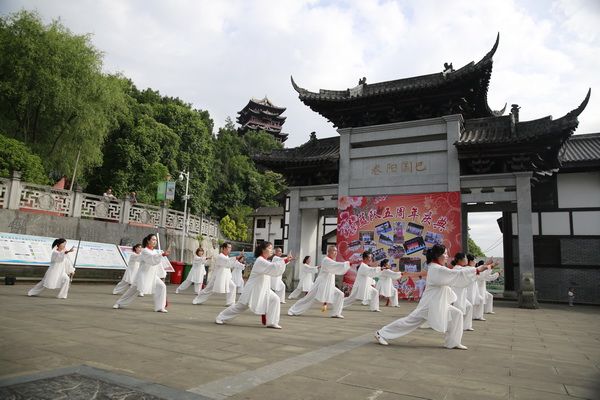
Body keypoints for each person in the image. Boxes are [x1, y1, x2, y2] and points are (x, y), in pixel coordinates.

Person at [374, 244, 492, 350]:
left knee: (457, 314)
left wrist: (478, 270)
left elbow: (456, 274)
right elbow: (456, 274)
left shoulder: (437, 267)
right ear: (437, 255)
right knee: (409, 322)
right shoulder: (436, 268)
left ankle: (453, 342)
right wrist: (478, 269)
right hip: (430, 303)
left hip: (438, 302)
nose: (447, 256)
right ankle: (381, 333)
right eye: (445, 254)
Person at [216, 241, 291, 329]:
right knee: (240, 306)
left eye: (272, 248)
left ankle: (272, 322)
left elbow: (274, 265)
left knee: (275, 299)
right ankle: (221, 317)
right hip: (253, 289)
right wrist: (285, 260)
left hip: (263, 288)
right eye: (269, 248)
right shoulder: (260, 260)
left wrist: (285, 260)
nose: (272, 250)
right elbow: (272, 267)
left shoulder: (264, 260)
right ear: (263, 249)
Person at [288, 245, 350, 319]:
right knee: (308, 299)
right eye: (334, 251)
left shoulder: (331, 261)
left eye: (336, 251)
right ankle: (293, 310)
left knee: (340, 294)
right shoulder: (326, 260)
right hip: (320, 284)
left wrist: (346, 264)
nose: (335, 252)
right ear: (329, 252)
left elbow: (336, 268)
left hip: (329, 285)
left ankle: (336, 313)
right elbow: (337, 266)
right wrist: (348, 264)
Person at [113, 234, 169, 312]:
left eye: (156, 240)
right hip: (143, 275)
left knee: (162, 286)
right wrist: (161, 254)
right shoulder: (145, 251)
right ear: (148, 241)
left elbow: (157, 263)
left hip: (152, 275)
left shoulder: (155, 251)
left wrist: (162, 273)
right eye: (153, 239)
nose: (155, 241)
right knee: (133, 290)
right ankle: (119, 303)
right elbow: (151, 259)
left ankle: (160, 307)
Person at [192, 242, 244, 306]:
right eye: (229, 247)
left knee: (232, 286)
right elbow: (227, 261)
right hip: (217, 277)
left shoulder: (227, 256)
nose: (230, 249)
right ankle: (197, 300)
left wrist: (242, 265)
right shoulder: (220, 256)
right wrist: (238, 257)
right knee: (208, 290)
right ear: (224, 248)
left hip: (226, 276)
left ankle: (230, 302)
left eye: (230, 248)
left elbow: (232, 263)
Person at [450, 253, 475, 331]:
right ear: (460, 260)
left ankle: (466, 326)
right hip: (456, 293)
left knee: (469, 306)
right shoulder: (457, 269)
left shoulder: (461, 268)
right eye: (465, 258)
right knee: (458, 311)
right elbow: (469, 272)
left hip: (461, 293)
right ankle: (454, 328)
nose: (467, 259)